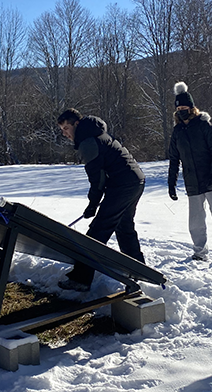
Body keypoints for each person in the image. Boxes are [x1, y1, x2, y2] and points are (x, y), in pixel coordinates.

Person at [56, 108, 146, 292]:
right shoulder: (94, 134)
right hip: (135, 180)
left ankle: (81, 279)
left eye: (66, 128)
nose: (65, 133)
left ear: (77, 124)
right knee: (124, 226)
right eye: (62, 130)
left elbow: (97, 179)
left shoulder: (88, 141)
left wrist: (92, 205)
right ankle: (140, 272)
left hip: (124, 184)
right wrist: (95, 203)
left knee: (98, 231)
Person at [167, 82, 212, 261]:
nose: (182, 110)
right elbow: (174, 159)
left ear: (192, 108)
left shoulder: (205, 126)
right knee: (196, 223)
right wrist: (171, 183)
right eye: (179, 108)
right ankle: (200, 252)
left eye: (185, 107)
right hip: (192, 183)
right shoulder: (177, 132)